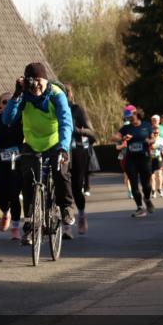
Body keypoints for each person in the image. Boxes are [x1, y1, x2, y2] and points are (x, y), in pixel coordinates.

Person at [2, 63, 74, 246]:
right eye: (32, 82)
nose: (36, 86)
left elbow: (66, 122)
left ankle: (66, 207)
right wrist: (17, 94)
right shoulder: (24, 96)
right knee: (28, 180)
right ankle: (31, 226)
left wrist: (64, 147)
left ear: (46, 79)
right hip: (32, 145)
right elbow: (7, 119)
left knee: (60, 172)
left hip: (55, 142)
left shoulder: (57, 94)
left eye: (39, 81)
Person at [0, 93, 24, 241]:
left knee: (14, 194)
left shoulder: (21, 118)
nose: (8, 104)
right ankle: (5, 211)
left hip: (17, 159)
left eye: (11, 101)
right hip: (0, 159)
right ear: (1, 104)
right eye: (5, 102)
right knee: (1, 194)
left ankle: (15, 227)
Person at [65, 84, 97, 237]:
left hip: (77, 152)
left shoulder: (77, 109)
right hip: (60, 151)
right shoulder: (52, 108)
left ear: (71, 95)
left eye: (67, 92)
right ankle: (66, 226)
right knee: (62, 189)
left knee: (77, 189)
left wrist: (77, 130)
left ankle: (82, 215)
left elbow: (92, 132)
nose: (64, 95)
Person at [116, 108, 156, 217]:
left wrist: (150, 141)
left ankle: (147, 199)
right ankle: (140, 208)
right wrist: (123, 138)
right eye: (127, 117)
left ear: (135, 114)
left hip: (144, 158)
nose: (129, 118)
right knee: (134, 185)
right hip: (131, 160)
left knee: (146, 185)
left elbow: (153, 139)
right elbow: (115, 137)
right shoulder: (126, 128)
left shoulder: (146, 125)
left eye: (130, 116)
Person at [150, 114, 163, 198]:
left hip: (158, 158)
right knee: (152, 176)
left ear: (159, 132)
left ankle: (159, 189)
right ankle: (153, 190)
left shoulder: (161, 139)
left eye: (157, 132)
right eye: (154, 132)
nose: (156, 133)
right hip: (150, 158)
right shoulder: (149, 139)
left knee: (159, 174)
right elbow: (152, 146)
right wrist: (158, 147)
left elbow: (162, 149)